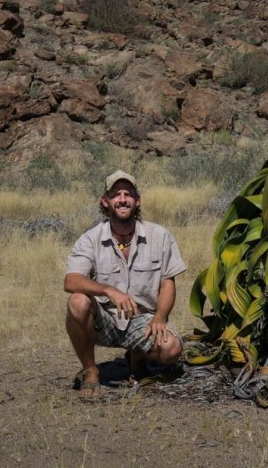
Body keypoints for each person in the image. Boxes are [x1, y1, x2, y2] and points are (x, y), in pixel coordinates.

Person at [64, 169, 187, 398]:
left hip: (143, 320)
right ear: (105, 201)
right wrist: (108, 290)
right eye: (116, 194)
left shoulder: (159, 236)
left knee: (172, 349)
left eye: (128, 194)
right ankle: (90, 372)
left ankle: (137, 357)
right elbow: (71, 280)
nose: (122, 199)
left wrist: (160, 317)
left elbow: (168, 283)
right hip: (105, 320)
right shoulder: (90, 238)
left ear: (137, 201)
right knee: (78, 300)